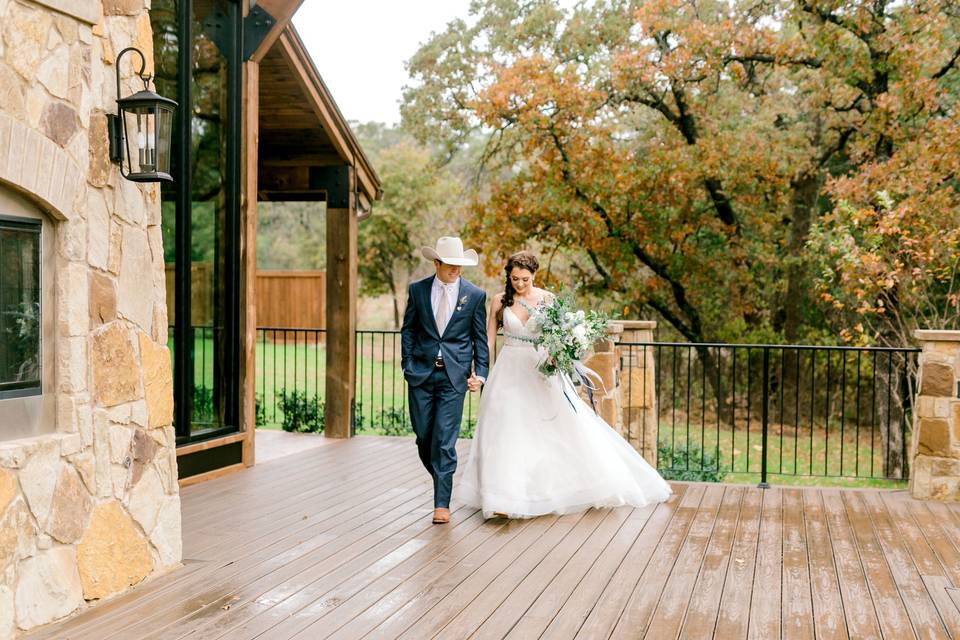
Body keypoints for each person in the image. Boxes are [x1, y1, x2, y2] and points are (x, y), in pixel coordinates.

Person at [458, 251, 671, 519]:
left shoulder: (548, 299)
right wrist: (479, 370)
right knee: (505, 427)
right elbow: (488, 340)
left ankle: (557, 488)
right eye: (514, 279)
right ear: (508, 276)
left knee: (555, 428)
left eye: (525, 279)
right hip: (509, 369)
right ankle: (503, 498)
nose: (520, 284)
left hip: (540, 371)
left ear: (534, 275)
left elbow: (563, 334)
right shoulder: (499, 301)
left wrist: (559, 353)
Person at [401, 237, 489, 524]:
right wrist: (407, 365)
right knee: (424, 437)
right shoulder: (417, 291)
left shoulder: (474, 295)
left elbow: (479, 339)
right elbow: (409, 331)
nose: (456, 271)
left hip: (454, 377)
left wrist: (481, 373)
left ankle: (441, 503)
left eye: (459, 266)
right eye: (451, 266)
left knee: (444, 441)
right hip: (421, 375)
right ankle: (442, 476)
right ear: (436, 263)